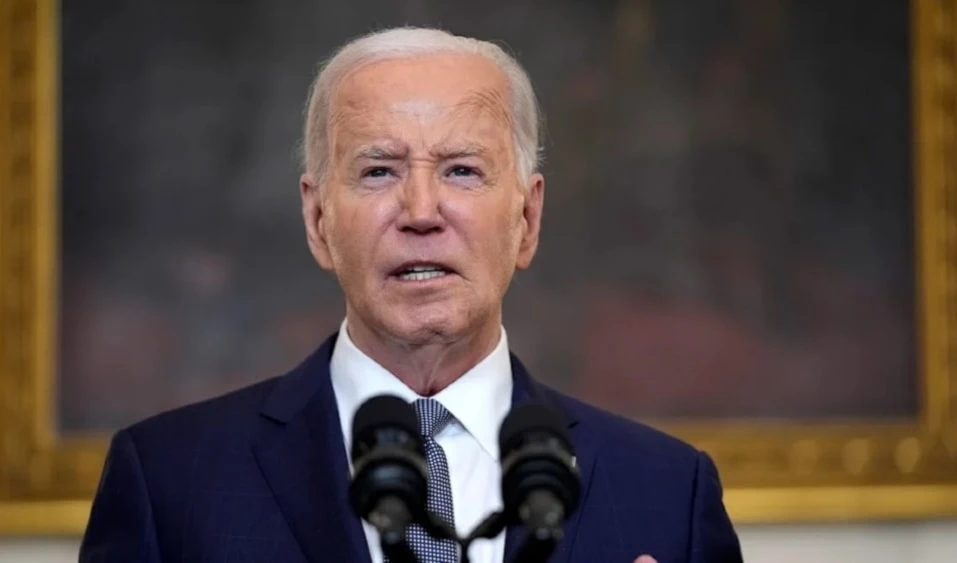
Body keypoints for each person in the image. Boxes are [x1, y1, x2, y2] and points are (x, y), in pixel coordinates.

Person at [79, 27, 742, 563]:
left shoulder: (666, 493)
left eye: (462, 170)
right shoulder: (169, 481)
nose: (421, 211)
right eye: (378, 171)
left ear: (527, 218)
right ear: (317, 220)